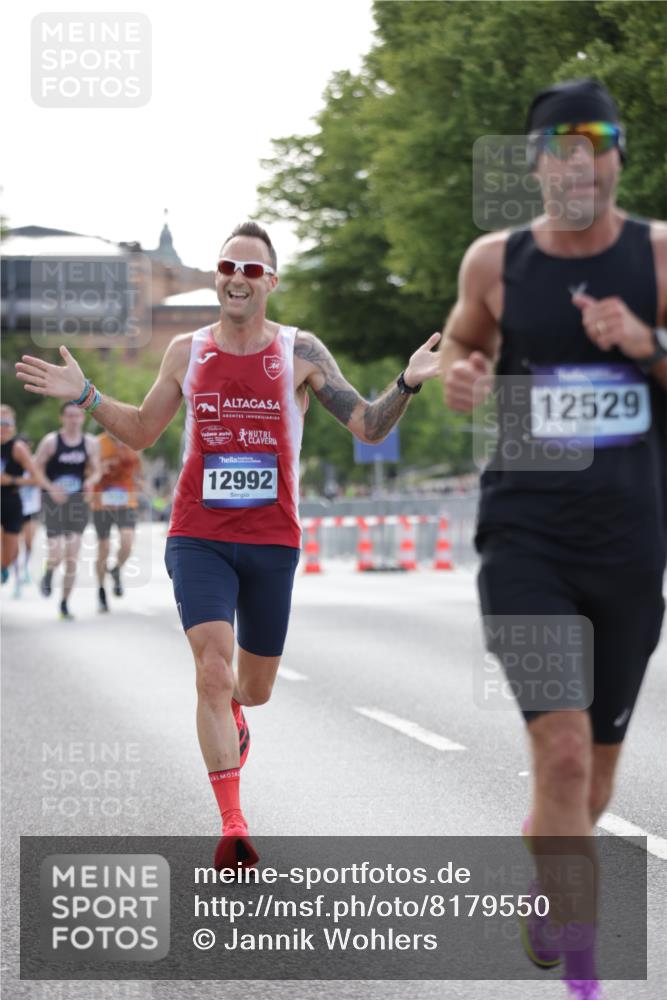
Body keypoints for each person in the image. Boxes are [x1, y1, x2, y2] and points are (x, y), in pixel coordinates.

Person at [16, 220, 441, 869]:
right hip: (198, 535)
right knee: (211, 671)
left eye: (250, 270)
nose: (236, 278)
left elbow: (366, 426)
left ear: (269, 281)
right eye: (227, 267)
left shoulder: (300, 353)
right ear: (216, 276)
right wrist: (89, 395)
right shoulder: (185, 352)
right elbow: (143, 430)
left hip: (272, 541)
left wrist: (406, 384)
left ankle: (238, 716)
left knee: (253, 687)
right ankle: (233, 822)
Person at [439, 78, 666, 1000]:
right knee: (563, 753)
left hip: (628, 545)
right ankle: (581, 974)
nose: (578, 160)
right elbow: (462, 342)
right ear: (533, 163)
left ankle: (546, 873)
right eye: (557, 146)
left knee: (589, 784)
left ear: (616, 154)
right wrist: (461, 373)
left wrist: (645, 346)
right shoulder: (495, 262)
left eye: (594, 141)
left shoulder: (656, 259)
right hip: (525, 539)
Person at [32, 403, 101, 620]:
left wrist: (90, 481)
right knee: (57, 552)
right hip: (54, 502)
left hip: (77, 503)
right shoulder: (51, 442)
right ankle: (49, 571)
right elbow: (36, 467)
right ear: (62, 418)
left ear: (82, 418)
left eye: (77, 415)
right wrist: (50, 487)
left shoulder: (90, 443)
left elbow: (97, 470)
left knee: (72, 556)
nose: (73, 419)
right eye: (69, 415)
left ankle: (64, 603)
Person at [1, 405, 63, 585]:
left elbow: (36, 479)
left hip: (11, 502)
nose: (3, 427)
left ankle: (5, 567)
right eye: (0, 422)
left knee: (10, 553)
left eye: (7, 423)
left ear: (13, 426)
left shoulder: (18, 448)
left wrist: (11, 480)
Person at [90, 431, 144, 612]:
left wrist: (139, 483)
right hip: (101, 503)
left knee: (127, 542)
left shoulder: (132, 441)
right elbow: (88, 471)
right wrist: (99, 470)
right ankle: (101, 590)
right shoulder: (97, 444)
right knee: (103, 548)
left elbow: (138, 470)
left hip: (125, 501)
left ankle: (116, 569)